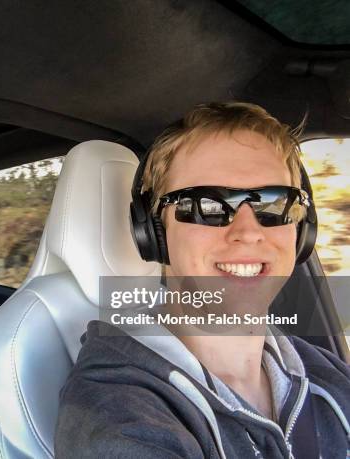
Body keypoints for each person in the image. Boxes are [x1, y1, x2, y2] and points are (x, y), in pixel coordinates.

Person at [55, 103, 350, 458]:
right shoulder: (115, 408)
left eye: (274, 204)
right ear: (153, 231)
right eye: (206, 206)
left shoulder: (324, 371)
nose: (248, 232)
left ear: (302, 230)